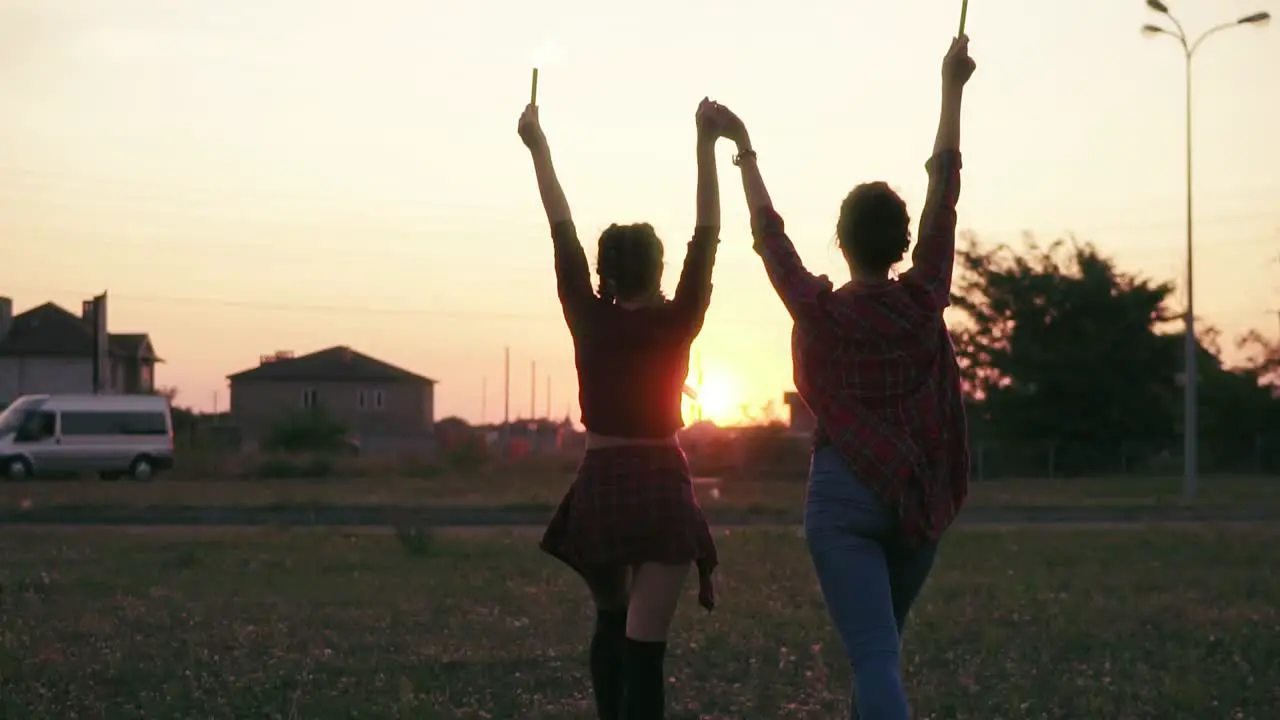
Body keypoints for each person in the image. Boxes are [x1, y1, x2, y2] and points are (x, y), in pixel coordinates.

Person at [713, 37, 977, 719]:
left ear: (842, 238)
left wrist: (744, 150)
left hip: (841, 500)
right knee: (881, 652)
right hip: (916, 498)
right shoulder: (924, 301)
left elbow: (768, 235)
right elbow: (942, 191)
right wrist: (952, 87)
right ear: (901, 244)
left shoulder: (819, 312)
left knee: (874, 656)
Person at [518, 98, 724, 720]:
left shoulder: (586, 314)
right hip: (663, 485)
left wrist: (538, 147)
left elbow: (561, 227)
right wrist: (705, 146)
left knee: (611, 618)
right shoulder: (679, 317)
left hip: (602, 486)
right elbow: (707, 234)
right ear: (660, 269)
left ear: (602, 272)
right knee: (647, 650)